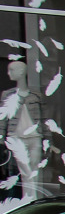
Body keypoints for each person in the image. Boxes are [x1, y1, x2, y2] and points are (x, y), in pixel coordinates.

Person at [0, 60, 45, 204]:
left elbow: (43, 118)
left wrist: (47, 139)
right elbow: (3, 117)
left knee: (34, 170)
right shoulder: (8, 95)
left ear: (21, 72)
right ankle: (30, 200)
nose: (8, 73)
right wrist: (2, 138)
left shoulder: (36, 95)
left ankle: (33, 199)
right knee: (25, 170)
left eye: (11, 70)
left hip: (35, 136)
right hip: (16, 137)